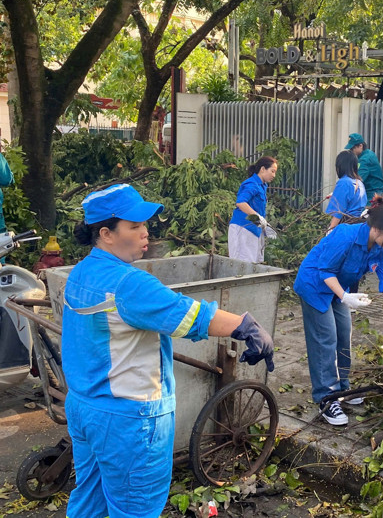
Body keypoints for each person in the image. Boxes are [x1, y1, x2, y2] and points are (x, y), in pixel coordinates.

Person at [61, 184, 274, 518]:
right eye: (134, 226)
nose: (146, 232)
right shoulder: (129, 284)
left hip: (85, 408)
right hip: (130, 420)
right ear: (106, 233)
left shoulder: (81, 273)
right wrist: (246, 325)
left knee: (91, 500)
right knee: (136, 509)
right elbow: (190, 316)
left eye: (145, 224)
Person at [294, 198, 383, 426]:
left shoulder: (382, 248)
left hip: (339, 288)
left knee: (344, 333)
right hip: (315, 285)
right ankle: (326, 398)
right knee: (325, 338)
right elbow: (325, 270)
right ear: (377, 228)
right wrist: (345, 296)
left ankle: (342, 388)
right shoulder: (346, 235)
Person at [228, 156, 278, 263]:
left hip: (254, 230)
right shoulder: (252, 184)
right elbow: (241, 203)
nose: (274, 175)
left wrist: (265, 226)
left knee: (255, 263)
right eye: (272, 171)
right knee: (243, 265)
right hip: (243, 228)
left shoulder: (262, 186)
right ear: (263, 169)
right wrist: (258, 218)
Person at [325, 150, 367, 231]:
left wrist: (330, 230)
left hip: (345, 227)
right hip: (358, 227)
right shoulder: (360, 183)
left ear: (340, 166)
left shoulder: (344, 183)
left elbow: (338, 211)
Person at [345, 133, 383, 201]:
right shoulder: (369, 153)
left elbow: (357, 180)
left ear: (360, 146)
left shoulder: (364, 160)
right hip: (375, 192)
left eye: (352, 148)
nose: (351, 151)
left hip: (372, 195)